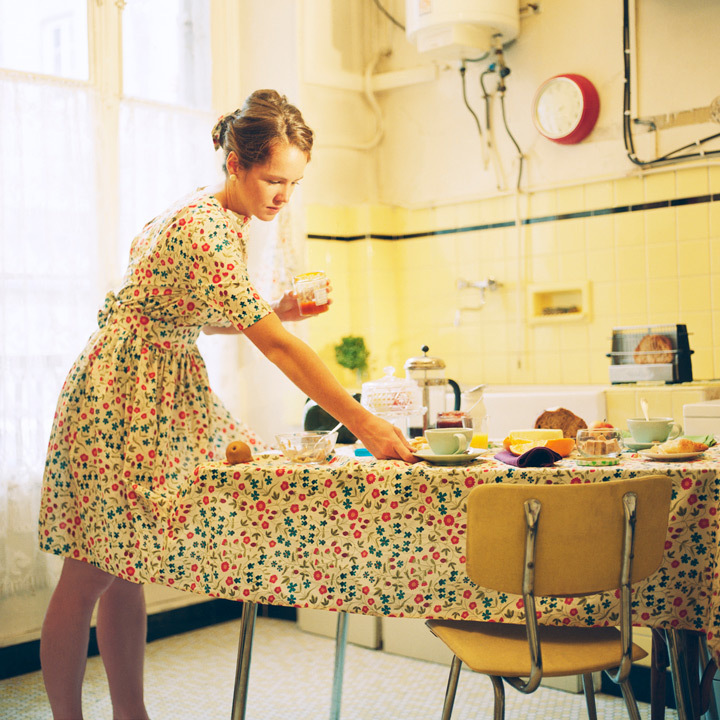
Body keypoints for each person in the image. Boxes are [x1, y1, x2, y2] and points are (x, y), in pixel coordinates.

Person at [38, 88, 416, 720]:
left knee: (122, 562)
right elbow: (281, 352)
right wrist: (364, 420)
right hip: (123, 395)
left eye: (293, 183)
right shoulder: (209, 228)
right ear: (235, 163)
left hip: (140, 382)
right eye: (273, 179)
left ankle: (132, 715)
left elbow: (189, 313)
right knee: (88, 570)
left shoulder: (202, 214)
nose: (282, 196)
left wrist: (281, 307)